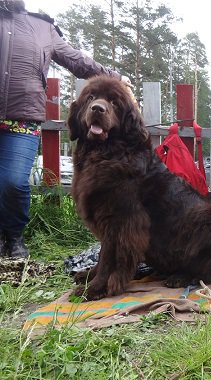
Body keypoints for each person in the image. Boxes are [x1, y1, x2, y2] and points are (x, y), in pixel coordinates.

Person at [0, 0, 129, 258]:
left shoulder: (41, 26)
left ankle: (13, 236)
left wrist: (113, 76)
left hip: (21, 117)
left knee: (13, 182)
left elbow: (75, 59)